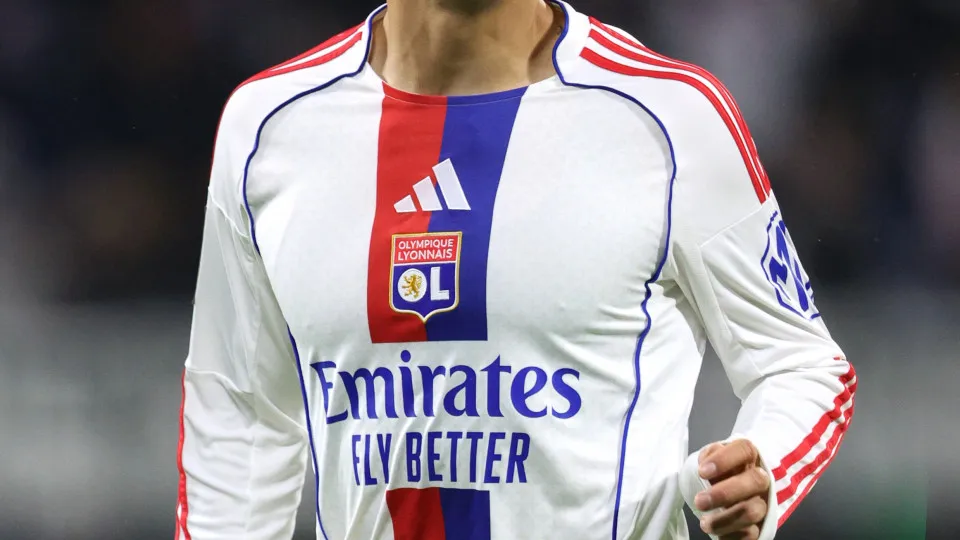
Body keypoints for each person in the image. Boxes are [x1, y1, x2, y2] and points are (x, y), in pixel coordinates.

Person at [174, 1, 857, 539]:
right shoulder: (267, 129)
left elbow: (801, 364)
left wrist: (763, 470)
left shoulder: (671, 118)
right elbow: (238, 417)